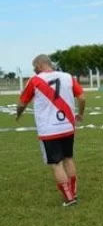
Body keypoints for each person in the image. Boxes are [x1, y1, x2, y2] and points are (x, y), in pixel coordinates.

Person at [16, 54, 86, 207]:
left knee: (56, 164)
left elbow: (22, 102)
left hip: (49, 130)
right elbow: (82, 98)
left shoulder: (34, 81)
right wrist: (80, 114)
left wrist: (18, 114)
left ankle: (69, 198)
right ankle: (73, 192)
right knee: (68, 158)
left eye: (35, 68)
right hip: (68, 126)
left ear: (40, 65)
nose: (35, 71)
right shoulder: (68, 77)